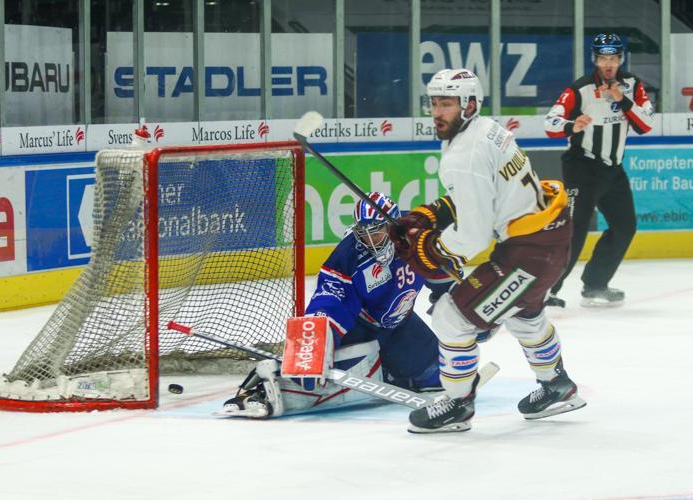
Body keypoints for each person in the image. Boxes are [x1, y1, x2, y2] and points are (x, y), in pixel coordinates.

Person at [389, 68, 586, 433]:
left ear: (469, 104)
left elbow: (474, 238)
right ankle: (556, 386)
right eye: (434, 103)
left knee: (450, 317)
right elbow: (484, 194)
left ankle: (457, 405)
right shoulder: (487, 130)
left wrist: (428, 247)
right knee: (524, 315)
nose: (437, 112)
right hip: (550, 238)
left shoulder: (465, 153)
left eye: (447, 104)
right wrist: (432, 214)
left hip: (527, 255)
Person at [218, 192, 460, 418]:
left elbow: (443, 272)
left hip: (400, 325)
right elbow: (330, 299)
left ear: (392, 226)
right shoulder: (347, 257)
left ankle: (390, 371)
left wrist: (458, 308)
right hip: (359, 327)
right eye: (363, 233)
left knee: (439, 376)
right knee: (312, 377)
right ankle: (259, 388)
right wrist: (316, 342)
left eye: (376, 232)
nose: (370, 241)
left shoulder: (417, 237)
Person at [544, 33, 654, 308]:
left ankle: (595, 284)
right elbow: (550, 122)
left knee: (625, 226)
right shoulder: (579, 89)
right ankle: (545, 290)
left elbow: (646, 125)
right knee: (574, 231)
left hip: (613, 170)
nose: (608, 64)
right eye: (603, 58)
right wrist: (572, 125)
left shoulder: (633, 85)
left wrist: (623, 100)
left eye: (613, 58)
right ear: (595, 60)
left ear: (621, 59)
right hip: (582, 167)